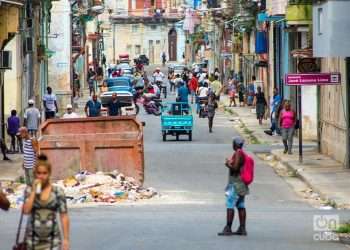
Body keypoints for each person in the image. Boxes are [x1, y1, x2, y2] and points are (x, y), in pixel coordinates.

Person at [23, 154, 70, 250]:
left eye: (44, 173)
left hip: (53, 241)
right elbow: (26, 211)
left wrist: (66, 239)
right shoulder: (29, 191)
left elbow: (64, 216)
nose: (41, 176)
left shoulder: (57, 191)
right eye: (39, 173)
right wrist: (33, 192)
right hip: (32, 240)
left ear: (49, 173)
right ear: (35, 173)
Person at [219, 137, 249, 236]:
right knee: (240, 205)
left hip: (236, 183)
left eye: (233, 143)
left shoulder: (238, 153)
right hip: (241, 183)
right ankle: (242, 228)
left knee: (230, 204)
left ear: (235, 144)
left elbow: (235, 168)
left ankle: (228, 228)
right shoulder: (241, 153)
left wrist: (228, 164)